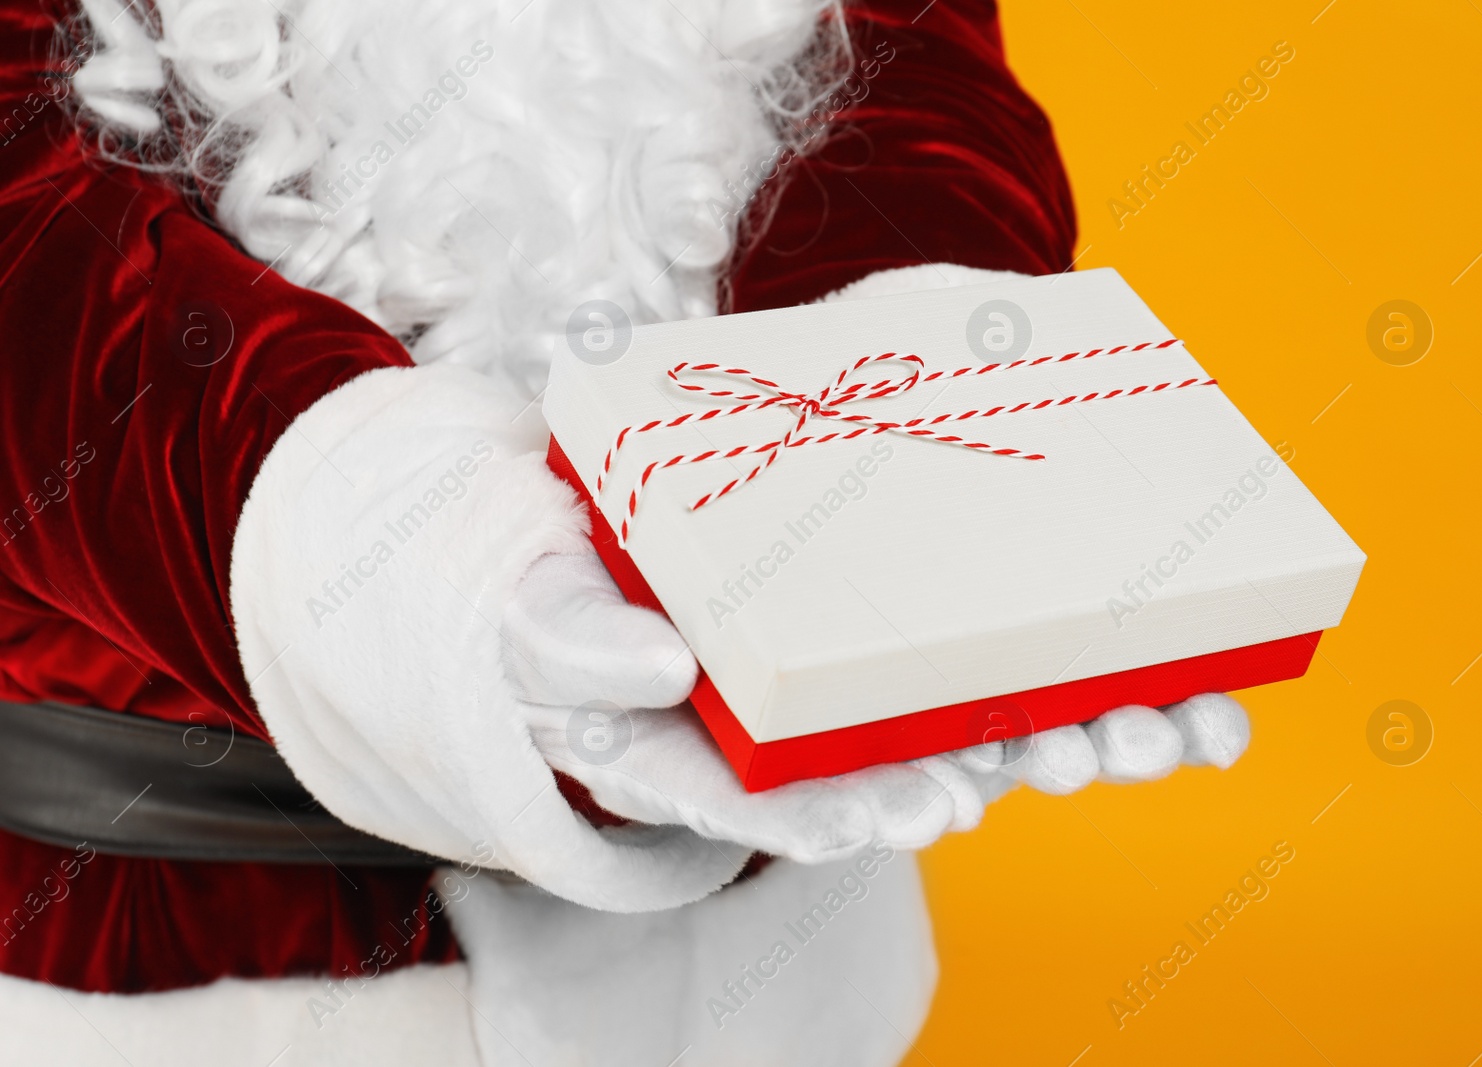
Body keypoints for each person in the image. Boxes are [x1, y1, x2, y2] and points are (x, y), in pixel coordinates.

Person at [0, 0, 1251, 1063]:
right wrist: (406, 547)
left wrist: (903, 401)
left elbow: (911, 69)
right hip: (211, 991)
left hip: (785, 957)